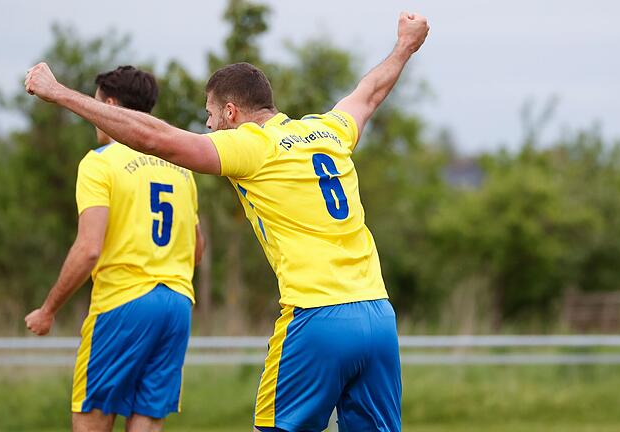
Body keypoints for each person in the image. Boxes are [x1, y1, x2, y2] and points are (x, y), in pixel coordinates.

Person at [25, 12, 429, 432]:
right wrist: (405, 46)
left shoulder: (250, 146)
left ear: (232, 111)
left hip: (317, 318)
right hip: (379, 317)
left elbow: (155, 139)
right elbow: (370, 93)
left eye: (210, 115)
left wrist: (61, 94)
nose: (208, 125)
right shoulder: (329, 129)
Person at [24, 65, 204, 432]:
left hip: (124, 302)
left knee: (92, 416)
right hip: (177, 305)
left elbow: (89, 248)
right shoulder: (180, 168)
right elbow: (197, 247)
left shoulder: (99, 163)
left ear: (108, 104)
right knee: (148, 419)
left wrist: (48, 309)